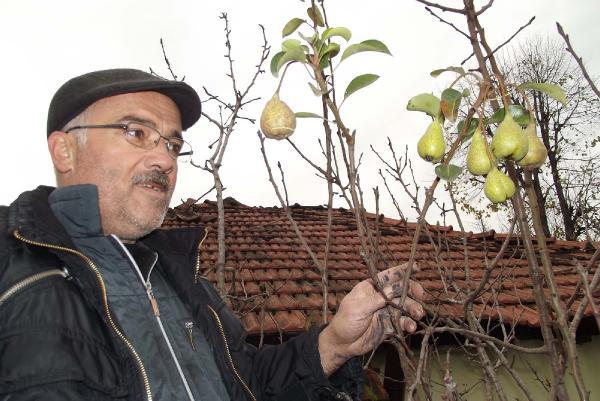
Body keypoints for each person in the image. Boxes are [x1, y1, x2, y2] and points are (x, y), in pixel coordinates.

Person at [0, 69, 425, 401]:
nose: (164, 160)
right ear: (64, 150)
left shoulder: (183, 283)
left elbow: (247, 385)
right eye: (136, 132)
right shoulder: (11, 265)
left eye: (172, 144)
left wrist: (334, 342)